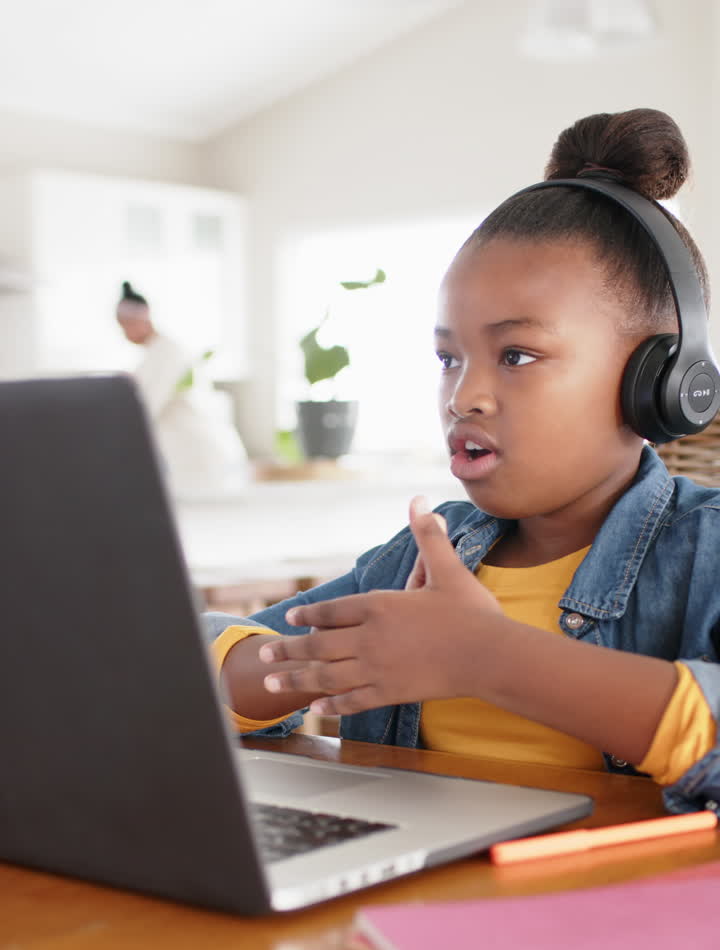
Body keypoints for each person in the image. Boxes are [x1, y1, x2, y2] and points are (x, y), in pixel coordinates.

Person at [201, 107, 720, 814]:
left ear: (657, 382)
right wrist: (303, 672)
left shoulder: (705, 553)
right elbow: (209, 664)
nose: (465, 395)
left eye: (518, 355)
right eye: (449, 358)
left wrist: (484, 655)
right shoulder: (426, 554)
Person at [116, 281, 246, 497]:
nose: (124, 333)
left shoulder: (168, 352)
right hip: (175, 449)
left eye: (125, 325)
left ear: (142, 319)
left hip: (191, 448)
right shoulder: (153, 354)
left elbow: (149, 403)